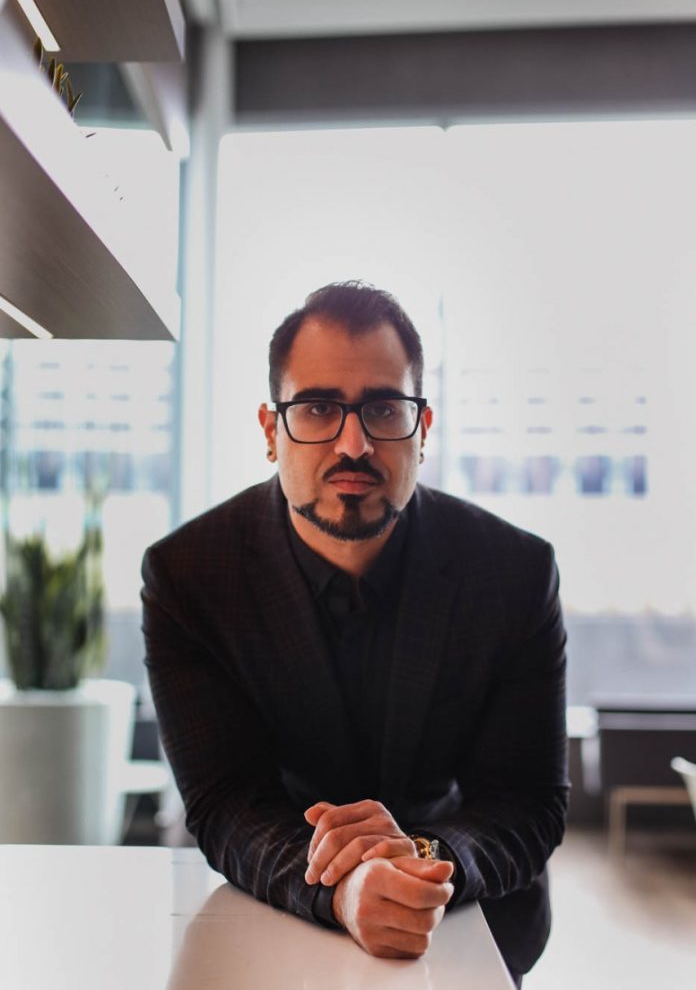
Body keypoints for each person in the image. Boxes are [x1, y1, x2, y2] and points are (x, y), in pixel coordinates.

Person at [141, 281, 568, 986]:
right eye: (317, 408)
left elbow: (528, 801)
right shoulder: (188, 575)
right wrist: (342, 888)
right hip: (270, 900)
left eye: (383, 408)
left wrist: (421, 860)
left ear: (422, 428)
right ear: (270, 430)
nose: (354, 443)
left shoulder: (515, 573)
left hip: (463, 913)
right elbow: (225, 801)